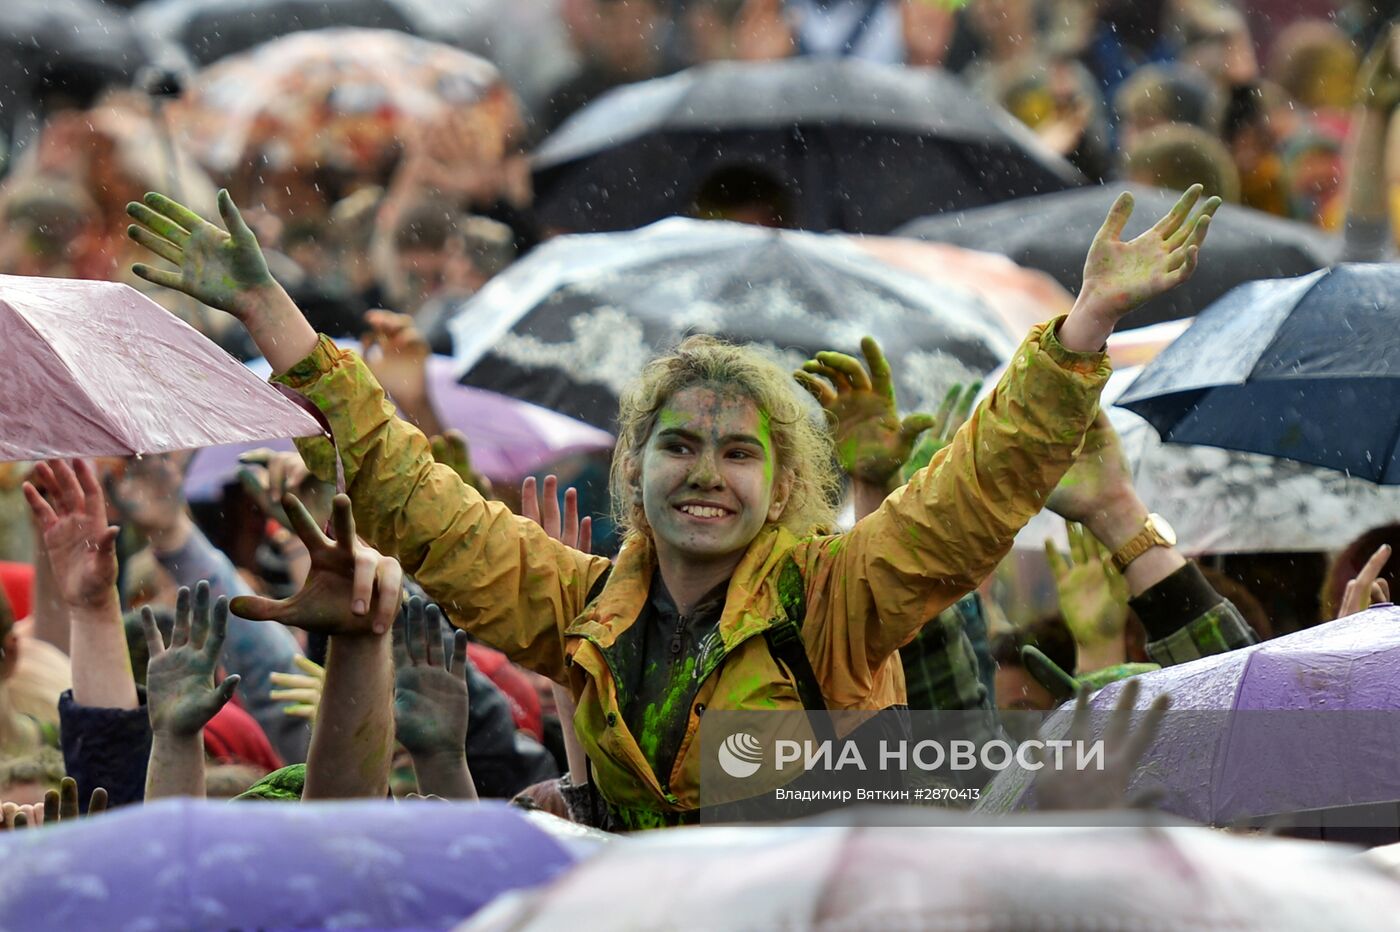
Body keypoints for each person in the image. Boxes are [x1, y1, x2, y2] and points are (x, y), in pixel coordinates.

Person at [126, 183, 1217, 828]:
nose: (706, 470)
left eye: (739, 452)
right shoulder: (580, 603)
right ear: (633, 470)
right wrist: (272, 309)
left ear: (784, 486)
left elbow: (971, 494)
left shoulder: (835, 595)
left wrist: (1084, 324)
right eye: (679, 444)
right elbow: (413, 495)